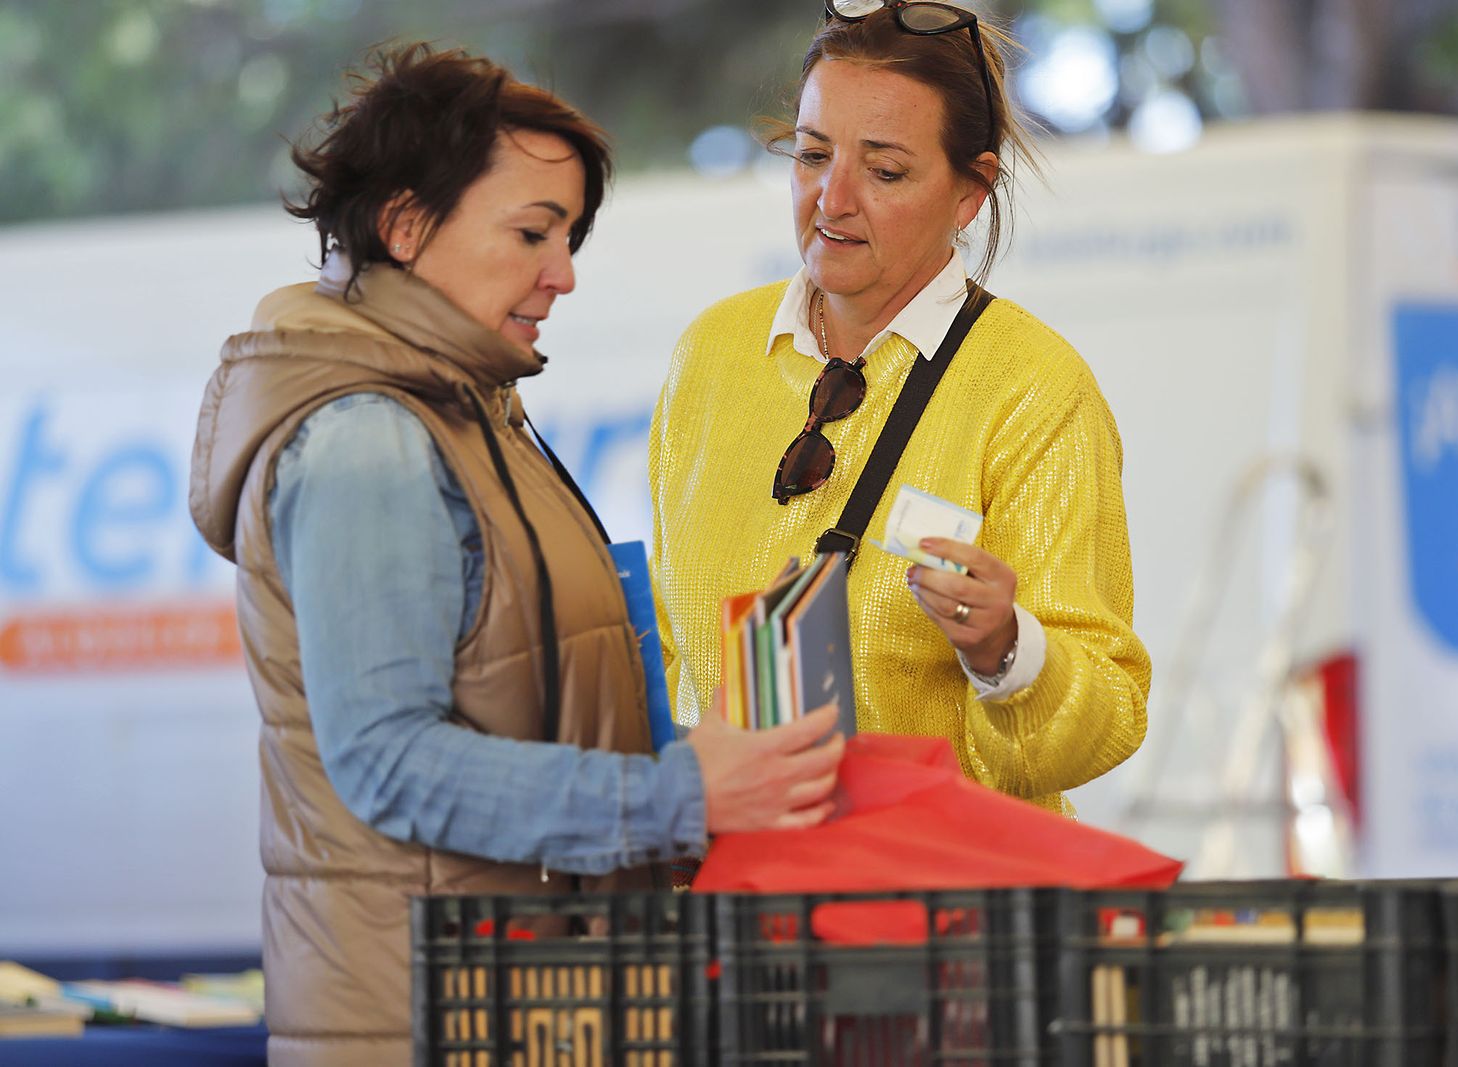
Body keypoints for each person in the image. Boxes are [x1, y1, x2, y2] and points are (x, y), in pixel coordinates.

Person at [187, 44, 843, 1066]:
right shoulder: (370, 441)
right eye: (533, 231)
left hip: (518, 1008)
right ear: (406, 226)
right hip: (424, 1022)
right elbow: (391, 761)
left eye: (570, 236)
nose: (563, 273)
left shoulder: (473, 415)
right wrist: (682, 795)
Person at [650, 2, 1150, 815]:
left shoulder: (1034, 387)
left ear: (971, 192)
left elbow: (1107, 716)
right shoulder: (710, 354)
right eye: (812, 155)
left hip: (941, 921)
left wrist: (1008, 651)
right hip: (740, 908)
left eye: (884, 172)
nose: (832, 198)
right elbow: (673, 666)